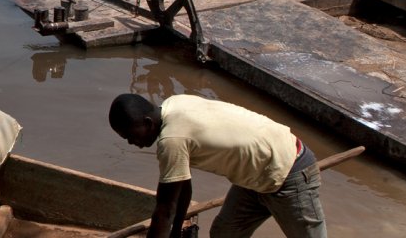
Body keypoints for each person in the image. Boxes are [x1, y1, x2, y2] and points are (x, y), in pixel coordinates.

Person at [107, 94, 324, 238]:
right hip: (254, 175)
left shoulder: (171, 140)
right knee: (224, 234)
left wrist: (169, 225)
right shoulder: (175, 103)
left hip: (288, 170)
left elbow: (164, 210)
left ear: (147, 123)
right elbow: (181, 187)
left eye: (130, 135)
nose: (130, 142)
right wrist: (175, 233)